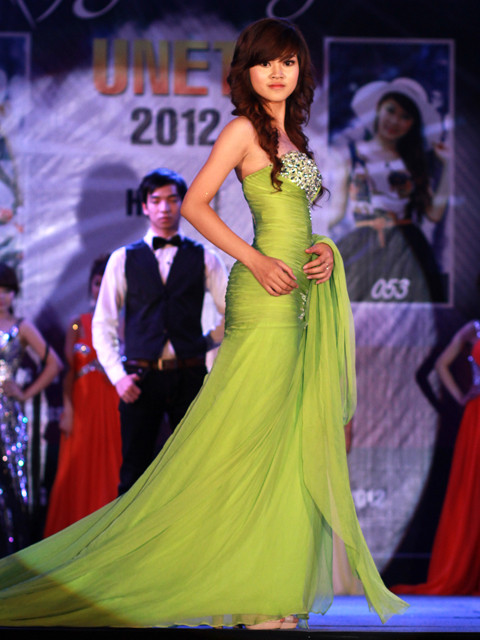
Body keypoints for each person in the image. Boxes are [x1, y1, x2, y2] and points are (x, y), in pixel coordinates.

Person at [0, 18, 407, 628]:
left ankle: (270, 593)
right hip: (265, 295)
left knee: (284, 444)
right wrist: (256, 259)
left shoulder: (291, 135)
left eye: (288, 61)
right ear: (246, 70)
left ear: (301, 69)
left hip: (298, 292)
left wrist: (324, 252)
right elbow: (195, 203)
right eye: (265, 61)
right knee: (246, 444)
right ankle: (241, 593)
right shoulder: (243, 128)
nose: (277, 72)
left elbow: (298, 221)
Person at [92, 168, 228, 495]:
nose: (164, 208)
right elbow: (103, 323)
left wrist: (207, 342)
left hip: (189, 376)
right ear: (144, 206)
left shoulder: (205, 258)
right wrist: (118, 376)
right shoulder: (123, 259)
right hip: (141, 378)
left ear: (183, 203)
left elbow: (233, 312)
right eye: (156, 201)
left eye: (172, 200)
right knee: (134, 474)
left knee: (193, 470)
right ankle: (128, 531)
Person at [330, 77, 449, 303]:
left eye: (405, 117)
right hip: (362, 245)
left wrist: (449, 165)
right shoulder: (350, 155)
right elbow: (335, 212)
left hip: (408, 248)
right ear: (378, 109)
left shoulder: (414, 163)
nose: (395, 121)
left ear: (413, 124)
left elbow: (434, 214)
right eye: (391, 110)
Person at [393, 318, 480, 595]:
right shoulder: (474, 329)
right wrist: (461, 396)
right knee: (472, 492)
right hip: (477, 416)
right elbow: (441, 365)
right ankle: (464, 570)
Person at [43, 255, 122, 537]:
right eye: (97, 283)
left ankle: (108, 538)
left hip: (113, 407)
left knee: (111, 470)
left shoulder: (122, 326)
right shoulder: (77, 324)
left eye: (106, 284)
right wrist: (68, 409)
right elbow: (68, 372)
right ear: (90, 286)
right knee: (79, 471)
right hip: (82, 407)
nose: (100, 289)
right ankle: (73, 539)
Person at [0, 263, 62, 557]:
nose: (2, 296)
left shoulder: (21, 327)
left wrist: (24, 392)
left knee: (12, 484)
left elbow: (54, 364)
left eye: (7, 290)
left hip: (8, 417)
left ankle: (14, 558)